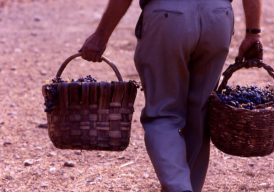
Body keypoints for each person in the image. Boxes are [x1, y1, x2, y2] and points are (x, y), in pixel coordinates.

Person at [79, 0, 262, 191]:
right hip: (218, 17)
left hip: (168, 17)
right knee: (199, 115)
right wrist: (253, 33)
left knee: (163, 115)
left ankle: (179, 188)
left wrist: (101, 35)